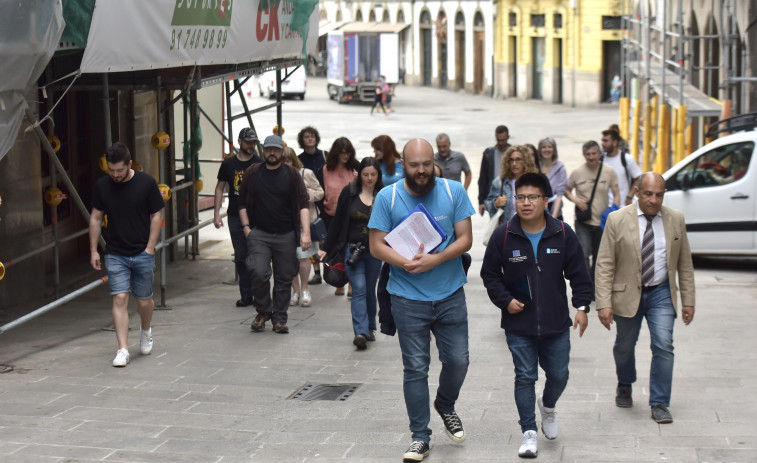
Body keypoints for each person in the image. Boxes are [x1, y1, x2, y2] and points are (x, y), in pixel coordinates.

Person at [368, 138, 475, 462]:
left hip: (450, 293)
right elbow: (376, 245)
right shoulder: (389, 197)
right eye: (414, 165)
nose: (421, 171)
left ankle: (445, 403)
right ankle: (420, 436)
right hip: (407, 297)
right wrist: (406, 262)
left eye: (426, 164)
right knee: (415, 368)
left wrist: (435, 260)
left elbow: (466, 238)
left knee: (459, 361)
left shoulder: (452, 191)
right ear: (403, 164)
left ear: (433, 162)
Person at [481, 173, 593, 458]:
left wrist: (581, 307)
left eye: (533, 198)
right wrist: (505, 302)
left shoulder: (562, 233)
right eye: (521, 198)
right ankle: (529, 432)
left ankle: (549, 405)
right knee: (524, 376)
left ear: (546, 201)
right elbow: (490, 275)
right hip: (519, 324)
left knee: (559, 374)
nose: (526, 203)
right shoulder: (503, 235)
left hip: (556, 322)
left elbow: (579, 273)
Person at [595, 172, 696, 423]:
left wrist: (688, 299)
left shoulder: (675, 219)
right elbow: (605, 263)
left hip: (661, 291)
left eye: (659, 195)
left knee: (663, 344)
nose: (653, 200)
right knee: (624, 345)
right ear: (637, 192)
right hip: (628, 291)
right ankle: (625, 382)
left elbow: (685, 263)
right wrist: (604, 303)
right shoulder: (617, 219)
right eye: (648, 194)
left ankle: (660, 402)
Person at [89, 142, 164, 367]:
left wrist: (150, 247)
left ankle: (145, 330)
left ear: (129, 164)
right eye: (111, 170)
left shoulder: (147, 183)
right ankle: (122, 349)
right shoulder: (102, 186)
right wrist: (94, 249)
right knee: (120, 297)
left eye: (119, 170)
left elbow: (156, 215)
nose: (115, 174)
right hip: (115, 251)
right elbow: (95, 217)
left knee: (143, 301)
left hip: (142, 250)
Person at [238, 135, 311, 334]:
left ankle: (279, 318)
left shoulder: (292, 174)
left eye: (276, 150)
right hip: (259, 233)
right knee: (257, 271)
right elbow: (241, 201)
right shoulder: (253, 172)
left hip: (286, 234)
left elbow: (303, 204)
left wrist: (306, 234)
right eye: (268, 149)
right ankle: (263, 311)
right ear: (263, 151)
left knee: (284, 277)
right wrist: (246, 228)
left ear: (282, 151)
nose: (272, 153)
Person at [318, 157, 384, 350]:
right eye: (366, 174)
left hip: (375, 250)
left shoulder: (383, 194)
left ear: (378, 175)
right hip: (352, 249)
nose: (369, 178)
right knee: (360, 288)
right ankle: (360, 332)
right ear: (359, 174)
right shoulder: (350, 192)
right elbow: (337, 221)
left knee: (370, 290)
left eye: (373, 174)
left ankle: (370, 325)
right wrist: (326, 247)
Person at [213, 128, 264, 307]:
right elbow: (220, 188)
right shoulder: (228, 164)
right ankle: (246, 295)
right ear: (240, 142)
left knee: (257, 257)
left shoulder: (259, 163)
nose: (251, 145)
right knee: (241, 257)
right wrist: (216, 213)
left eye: (254, 142)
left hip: (256, 217)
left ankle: (259, 294)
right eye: (248, 142)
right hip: (235, 216)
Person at [564, 141, 620, 281]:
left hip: (602, 223)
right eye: (587, 154)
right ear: (584, 155)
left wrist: (614, 210)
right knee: (583, 254)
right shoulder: (577, 172)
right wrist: (576, 200)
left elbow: (617, 193)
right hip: (583, 221)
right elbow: (566, 190)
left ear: (600, 154)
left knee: (599, 257)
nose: (591, 157)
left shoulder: (609, 171)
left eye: (594, 153)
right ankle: (586, 285)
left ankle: (597, 287)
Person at [283, 147, 323, 307]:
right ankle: (296, 291)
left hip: (306, 222)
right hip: (287, 222)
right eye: (283, 161)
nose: (286, 164)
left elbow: (320, 192)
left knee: (304, 257)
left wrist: (305, 195)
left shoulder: (306, 173)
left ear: (294, 160)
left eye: (288, 160)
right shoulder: (278, 176)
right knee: (291, 258)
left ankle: (305, 289)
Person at [322, 137, 359, 296]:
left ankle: (351, 283)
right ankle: (338, 280)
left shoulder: (355, 168)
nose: (345, 156)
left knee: (350, 250)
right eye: (342, 153)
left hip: (350, 216)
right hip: (330, 214)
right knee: (334, 250)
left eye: (348, 153)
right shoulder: (325, 169)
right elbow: (321, 190)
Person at [297, 126, 327, 286]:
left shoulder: (324, 155)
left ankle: (330, 270)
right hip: (308, 205)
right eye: (306, 136)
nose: (309, 139)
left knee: (325, 238)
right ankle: (316, 273)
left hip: (325, 201)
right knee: (312, 237)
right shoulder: (299, 159)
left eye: (312, 136)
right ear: (302, 140)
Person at [484, 145, 539, 224]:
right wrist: (496, 203)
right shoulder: (500, 182)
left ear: (526, 161)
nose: (514, 164)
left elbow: (543, 209)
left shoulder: (535, 182)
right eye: (511, 160)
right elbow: (488, 205)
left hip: (530, 230)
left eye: (518, 160)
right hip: (507, 231)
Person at [601, 129, 641, 206]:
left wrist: (629, 196)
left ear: (615, 142)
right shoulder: (600, 159)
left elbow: (638, 179)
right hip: (603, 209)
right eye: (602, 141)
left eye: (606, 141)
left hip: (622, 207)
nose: (602, 144)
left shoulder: (627, 159)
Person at [478, 125, 511, 216]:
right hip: (494, 195)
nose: (500, 143)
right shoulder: (489, 154)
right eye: (498, 140)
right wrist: (481, 201)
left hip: (510, 193)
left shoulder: (513, 153)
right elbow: (483, 178)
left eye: (503, 140)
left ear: (508, 137)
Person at [538, 137, 568, 220]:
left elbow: (559, 195)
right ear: (539, 150)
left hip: (555, 213)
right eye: (543, 147)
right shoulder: (536, 167)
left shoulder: (560, 168)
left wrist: (553, 218)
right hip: (537, 215)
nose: (547, 149)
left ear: (554, 150)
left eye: (549, 147)